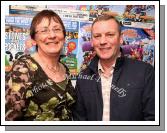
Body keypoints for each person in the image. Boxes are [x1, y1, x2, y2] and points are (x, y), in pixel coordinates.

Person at [72, 15, 155, 121]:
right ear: (92, 41)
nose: (103, 41)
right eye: (97, 36)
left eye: (110, 35)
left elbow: (153, 118)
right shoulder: (83, 77)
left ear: (121, 39)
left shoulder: (145, 72)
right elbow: (80, 120)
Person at [5, 10, 76, 121]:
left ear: (64, 36)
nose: (52, 35)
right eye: (44, 31)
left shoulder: (64, 69)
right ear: (34, 40)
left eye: (57, 29)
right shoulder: (23, 68)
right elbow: (8, 118)